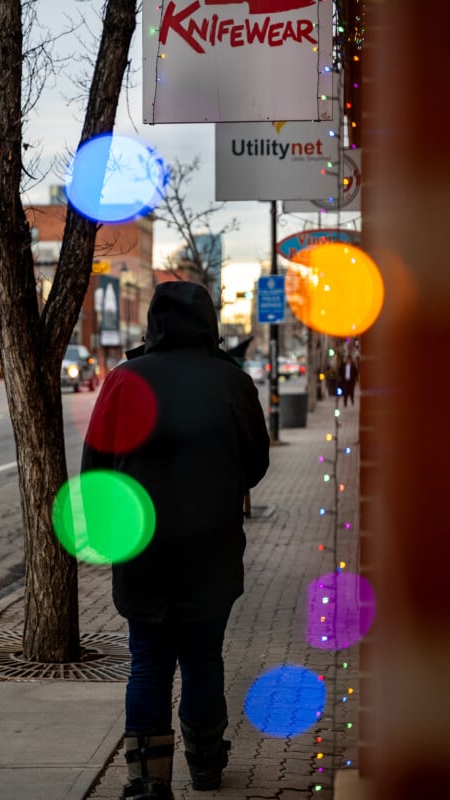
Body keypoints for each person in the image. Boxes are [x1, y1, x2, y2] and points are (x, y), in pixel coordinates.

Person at [81, 281, 270, 800]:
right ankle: (207, 764)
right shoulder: (232, 382)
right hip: (210, 547)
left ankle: (148, 781)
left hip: (142, 548)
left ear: (153, 323)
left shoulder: (124, 380)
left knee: (148, 661)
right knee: (204, 657)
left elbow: (96, 467)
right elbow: (256, 464)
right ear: (209, 323)